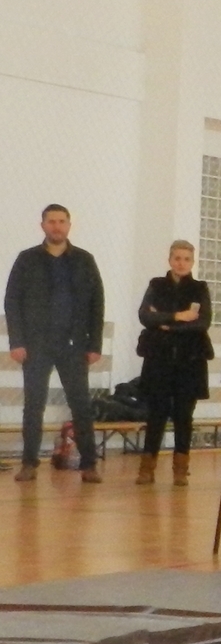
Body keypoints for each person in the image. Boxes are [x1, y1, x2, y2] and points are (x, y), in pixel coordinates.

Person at [5, 205, 105, 484]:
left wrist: (94, 344)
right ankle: (29, 463)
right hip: (36, 344)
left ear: (69, 225)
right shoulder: (27, 259)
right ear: (43, 225)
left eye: (61, 221)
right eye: (52, 221)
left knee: (81, 405)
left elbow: (97, 303)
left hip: (74, 344)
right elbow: (12, 301)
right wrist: (17, 341)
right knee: (33, 405)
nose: (57, 226)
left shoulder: (84, 260)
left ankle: (89, 464)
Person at [135, 241, 213, 486]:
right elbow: (145, 316)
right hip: (158, 359)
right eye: (177, 258)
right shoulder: (156, 285)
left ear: (192, 262)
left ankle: (180, 469)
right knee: (156, 414)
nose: (181, 263)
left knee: (184, 415)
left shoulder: (200, 288)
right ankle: (147, 468)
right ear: (170, 260)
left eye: (186, 259)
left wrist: (166, 324)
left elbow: (202, 323)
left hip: (190, 361)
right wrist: (179, 316)